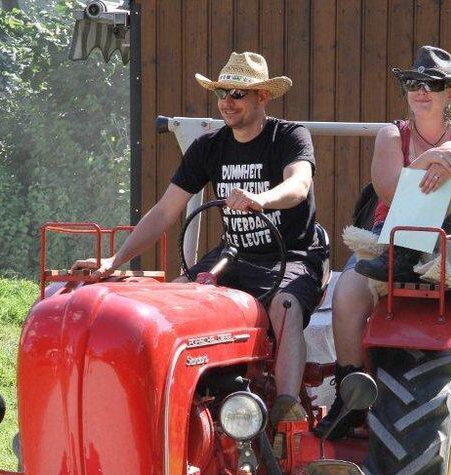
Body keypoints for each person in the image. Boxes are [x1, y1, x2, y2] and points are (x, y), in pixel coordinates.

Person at [73, 52, 328, 424]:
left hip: (295, 254)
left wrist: (262, 198)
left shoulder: (289, 136)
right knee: (177, 301)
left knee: (284, 306)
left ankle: (286, 412)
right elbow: (164, 211)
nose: (227, 101)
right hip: (236, 255)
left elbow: (299, 185)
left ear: (262, 97)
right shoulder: (208, 147)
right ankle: (170, 406)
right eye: (222, 92)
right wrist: (115, 261)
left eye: (238, 93)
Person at [317, 45, 451, 438]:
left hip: (447, 239)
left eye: (432, 84)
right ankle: (349, 391)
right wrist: (429, 161)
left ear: (448, 94)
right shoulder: (391, 135)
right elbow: (386, 190)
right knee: (348, 292)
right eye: (413, 83)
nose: (421, 91)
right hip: (390, 238)